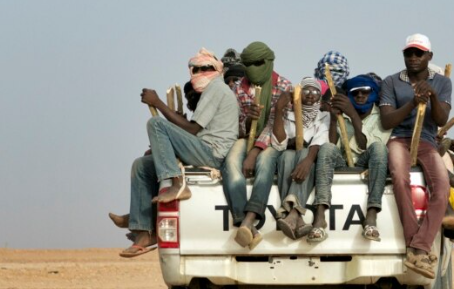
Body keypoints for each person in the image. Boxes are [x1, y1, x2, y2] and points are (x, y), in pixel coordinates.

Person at [119, 49, 239, 258]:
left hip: (212, 153)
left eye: (206, 68)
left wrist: (158, 104)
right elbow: (193, 131)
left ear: (217, 70)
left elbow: (192, 129)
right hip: (201, 147)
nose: (201, 72)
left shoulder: (216, 89)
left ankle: (176, 183)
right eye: (197, 69)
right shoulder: (211, 91)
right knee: (142, 165)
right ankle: (142, 230)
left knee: (156, 124)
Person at [379, 34, 452, 277]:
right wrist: (412, 103)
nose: (413, 58)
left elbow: (441, 120)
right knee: (400, 180)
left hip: (427, 141)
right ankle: (417, 248)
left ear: (429, 57)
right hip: (399, 139)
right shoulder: (391, 82)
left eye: (419, 53)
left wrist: (431, 95)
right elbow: (387, 120)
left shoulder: (441, 82)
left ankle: (417, 247)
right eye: (408, 53)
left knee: (442, 189)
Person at [222, 41, 294, 249]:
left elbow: (275, 123)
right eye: (248, 64)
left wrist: (254, 151)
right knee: (231, 162)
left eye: (258, 63)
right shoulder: (237, 89)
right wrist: (246, 122)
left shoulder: (284, 87)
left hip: (273, 140)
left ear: (268, 62)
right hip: (245, 138)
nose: (253, 69)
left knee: (265, 162)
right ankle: (244, 223)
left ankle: (249, 217)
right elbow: (233, 124)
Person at [310, 72, 390, 242]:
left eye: (364, 92)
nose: (360, 96)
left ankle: (371, 214)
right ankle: (319, 216)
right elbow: (333, 144)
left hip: (365, 162)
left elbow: (364, 146)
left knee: (379, 148)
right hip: (343, 162)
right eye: (355, 93)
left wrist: (353, 115)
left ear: (373, 93)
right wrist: (333, 119)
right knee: (327, 148)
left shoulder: (381, 116)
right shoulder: (342, 113)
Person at [268, 77, 330, 240]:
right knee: (287, 156)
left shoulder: (324, 116)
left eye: (315, 91)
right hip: (290, 156)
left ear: (320, 96)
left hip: (310, 159)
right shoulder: (289, 114)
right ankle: (298, 219)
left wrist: (308, 160)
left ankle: (291, 213)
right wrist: (279, 110)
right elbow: (280, 143)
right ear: (299, 94)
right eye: (306, 90)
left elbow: (319, 140)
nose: (310, 95)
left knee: (304, 153)